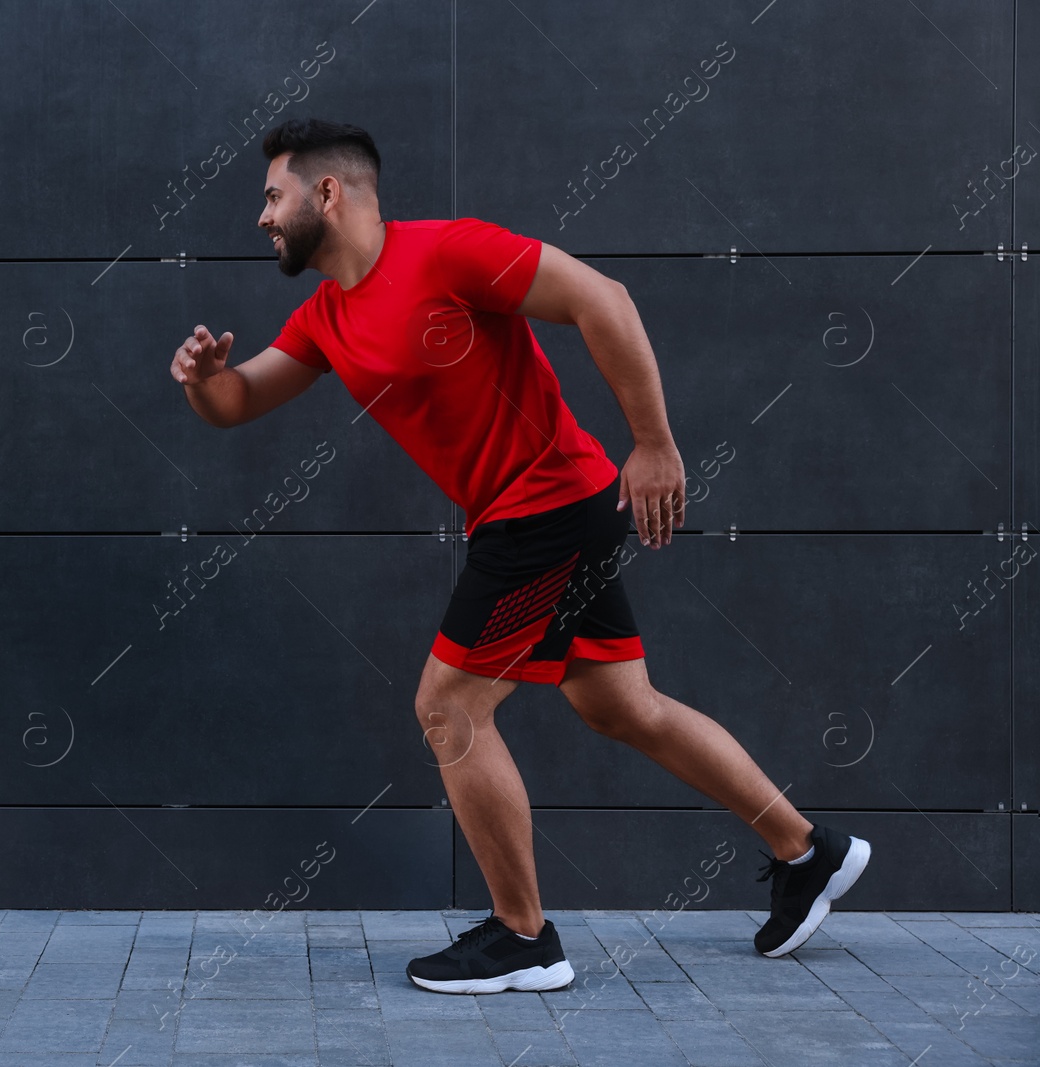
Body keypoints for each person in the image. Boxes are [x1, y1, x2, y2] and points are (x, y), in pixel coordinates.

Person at [168, 117, 870, 994]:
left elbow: (601, 299)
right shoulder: (324, 317)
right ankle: (807, 850)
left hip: (548, 508)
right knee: (623, 706)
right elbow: (239, 401)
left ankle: (523, 936)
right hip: (531, 517)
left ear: (327, 192)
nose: (261, 217)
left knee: (449, 704)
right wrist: (202, 382)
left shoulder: (448, 253)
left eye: (272, 196)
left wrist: (652, 442)